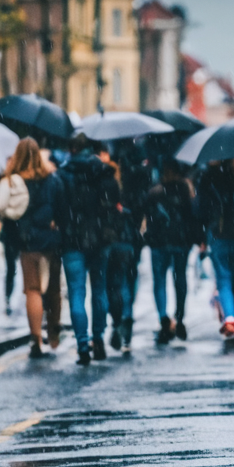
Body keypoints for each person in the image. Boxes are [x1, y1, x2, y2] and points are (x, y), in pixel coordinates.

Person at [0, 138, 64, 359]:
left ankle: (35, 339)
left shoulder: (14, 181)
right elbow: (62, 207)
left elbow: (6, 211)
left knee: (32, 289)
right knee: (53, 289)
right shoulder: (52, 179)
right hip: (51, 238)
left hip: (27, 241)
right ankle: (53, 332)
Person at [58, 136, 121, 365]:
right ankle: (99, 339)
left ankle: (83, 346)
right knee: (99, 289)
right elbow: (114, 206)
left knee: (76, 293)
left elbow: (59, 209)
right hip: (100, 240)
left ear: (72, 150)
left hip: (71, 240)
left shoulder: (63, 176)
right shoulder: (106, 175)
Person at [145, 159, 202, 345]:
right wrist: (197, 238)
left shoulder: (154, 192)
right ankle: (179, 317)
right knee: (180, 278)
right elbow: (193, 217)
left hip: (159, 243)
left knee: (159, 280)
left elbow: (150, 219)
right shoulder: (185, 191)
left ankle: (164, 318)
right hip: (180, 242)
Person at [198, 158, 234, 339]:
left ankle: (230, 318)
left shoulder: (208, 180)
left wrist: (202, 238)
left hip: (218, 236)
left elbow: (200, 210)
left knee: (224, 281)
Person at [100, 148, 139, 354]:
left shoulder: (103, 186)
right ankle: (126, 317)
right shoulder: (128, 186)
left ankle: (116, 321)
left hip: (109, 241)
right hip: (127, 241)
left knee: (110, 285)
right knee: (125, 282)